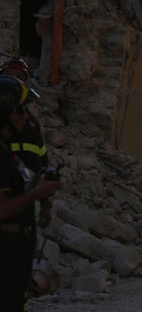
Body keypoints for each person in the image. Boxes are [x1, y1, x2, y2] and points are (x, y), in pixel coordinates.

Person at [0, 74, 61, 312]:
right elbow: (2, 209)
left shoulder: (9, 151)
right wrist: (38, 193)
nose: (27, 116)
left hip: (15, 246)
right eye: (21, 110)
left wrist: (42, 196)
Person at [1, 58, 52, 228]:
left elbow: (42, 160)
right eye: (10, 76)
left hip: (25, 201)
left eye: (20, 76)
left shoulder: (30, 122)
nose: (16, 79)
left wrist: (45, 203)